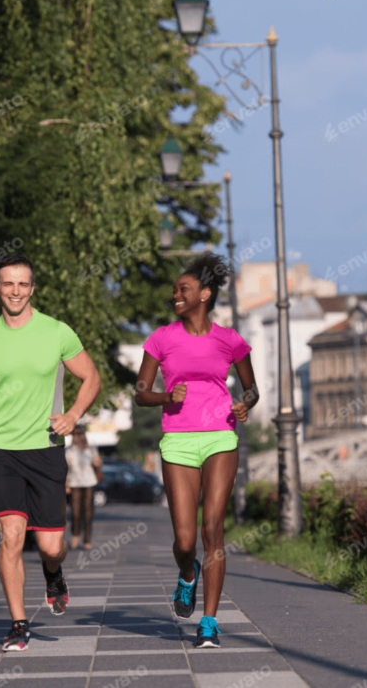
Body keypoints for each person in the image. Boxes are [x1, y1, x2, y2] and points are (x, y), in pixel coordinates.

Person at [0, 254, 101, 652]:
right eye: (8, 284)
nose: (15, 291)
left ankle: (53, 572)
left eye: (23, 284)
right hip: (2, 449)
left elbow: (91, 376)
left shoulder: (57, 332)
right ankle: (19, 623)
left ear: (32, 288)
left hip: (46, 448)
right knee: (11, 538)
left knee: (52, 545)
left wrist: (73, 414)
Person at [135, 253, 258, 649]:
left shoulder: (230, 341)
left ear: (204, 295)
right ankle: (186, 576)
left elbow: (251, 388)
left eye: (183, 290)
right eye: (174, 290)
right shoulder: (161, 339)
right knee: (185, 541)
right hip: (178, 440)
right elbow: (140, 393)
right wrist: (166, 396)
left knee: (212, 529)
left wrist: (245, 404)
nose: (176, 295)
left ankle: (209, 621)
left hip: (221, 437)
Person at [64, 424, 103, 550]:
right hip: (74, 483)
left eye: (78, 434)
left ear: (83, 436)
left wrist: (97, 463)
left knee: (88, 512)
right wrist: (65, 484)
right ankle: (75, 534)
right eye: (74, 435)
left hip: (89, 482)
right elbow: (66, 468)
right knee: (75, 512)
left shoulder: (90, 449)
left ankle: (87, 539)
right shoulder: (69, 450)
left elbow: (98, 463)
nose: (76, 437)